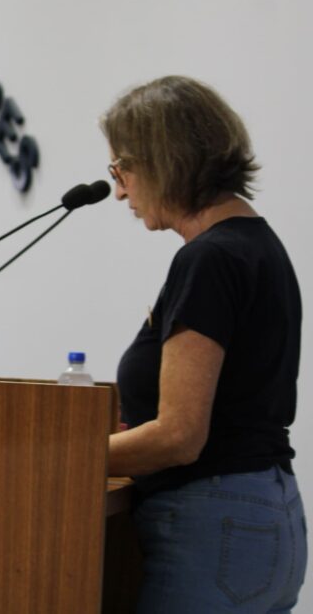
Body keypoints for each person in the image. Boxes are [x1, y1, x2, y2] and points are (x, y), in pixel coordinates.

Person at [103, 76, 306, 612]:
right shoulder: (259, 244)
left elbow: (179, 437)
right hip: (264, 514)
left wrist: (59, 459)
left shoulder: (210, 260)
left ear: (160, 159)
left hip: (214, 524)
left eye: (120, 170)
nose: (120, 190)